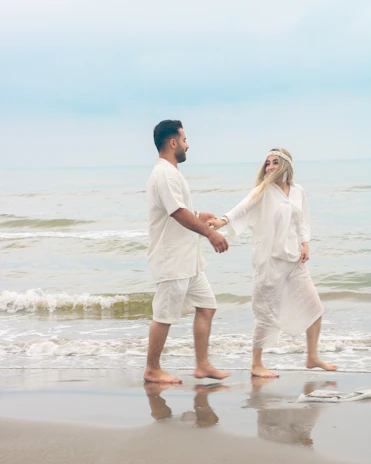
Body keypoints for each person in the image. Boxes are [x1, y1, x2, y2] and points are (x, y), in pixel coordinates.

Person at [209, 148, 337, 378]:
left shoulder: (298, 191)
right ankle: (256, 364)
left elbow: (304, 219)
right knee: (265, 312)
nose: (269, 167)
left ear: (286, 165)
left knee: (315, 307)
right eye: (267, 163)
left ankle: (312, 356)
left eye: (274, 162)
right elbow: (243, 206)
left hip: (295, 260)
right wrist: (223, 220)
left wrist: (305, 243)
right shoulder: (264, 191)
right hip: (269, 262)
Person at [144, 119, 230, 384]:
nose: (187, 145)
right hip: (173, 260)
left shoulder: (171, 173)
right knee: (164, 316)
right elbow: (177, 213)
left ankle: (202, 365)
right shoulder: (164, 174)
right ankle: (152, 369)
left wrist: (199, 215)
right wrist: (210, 232)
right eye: (184, 140)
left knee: (207, 306)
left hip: (188, 260)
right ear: (173, 143)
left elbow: (178, 210)